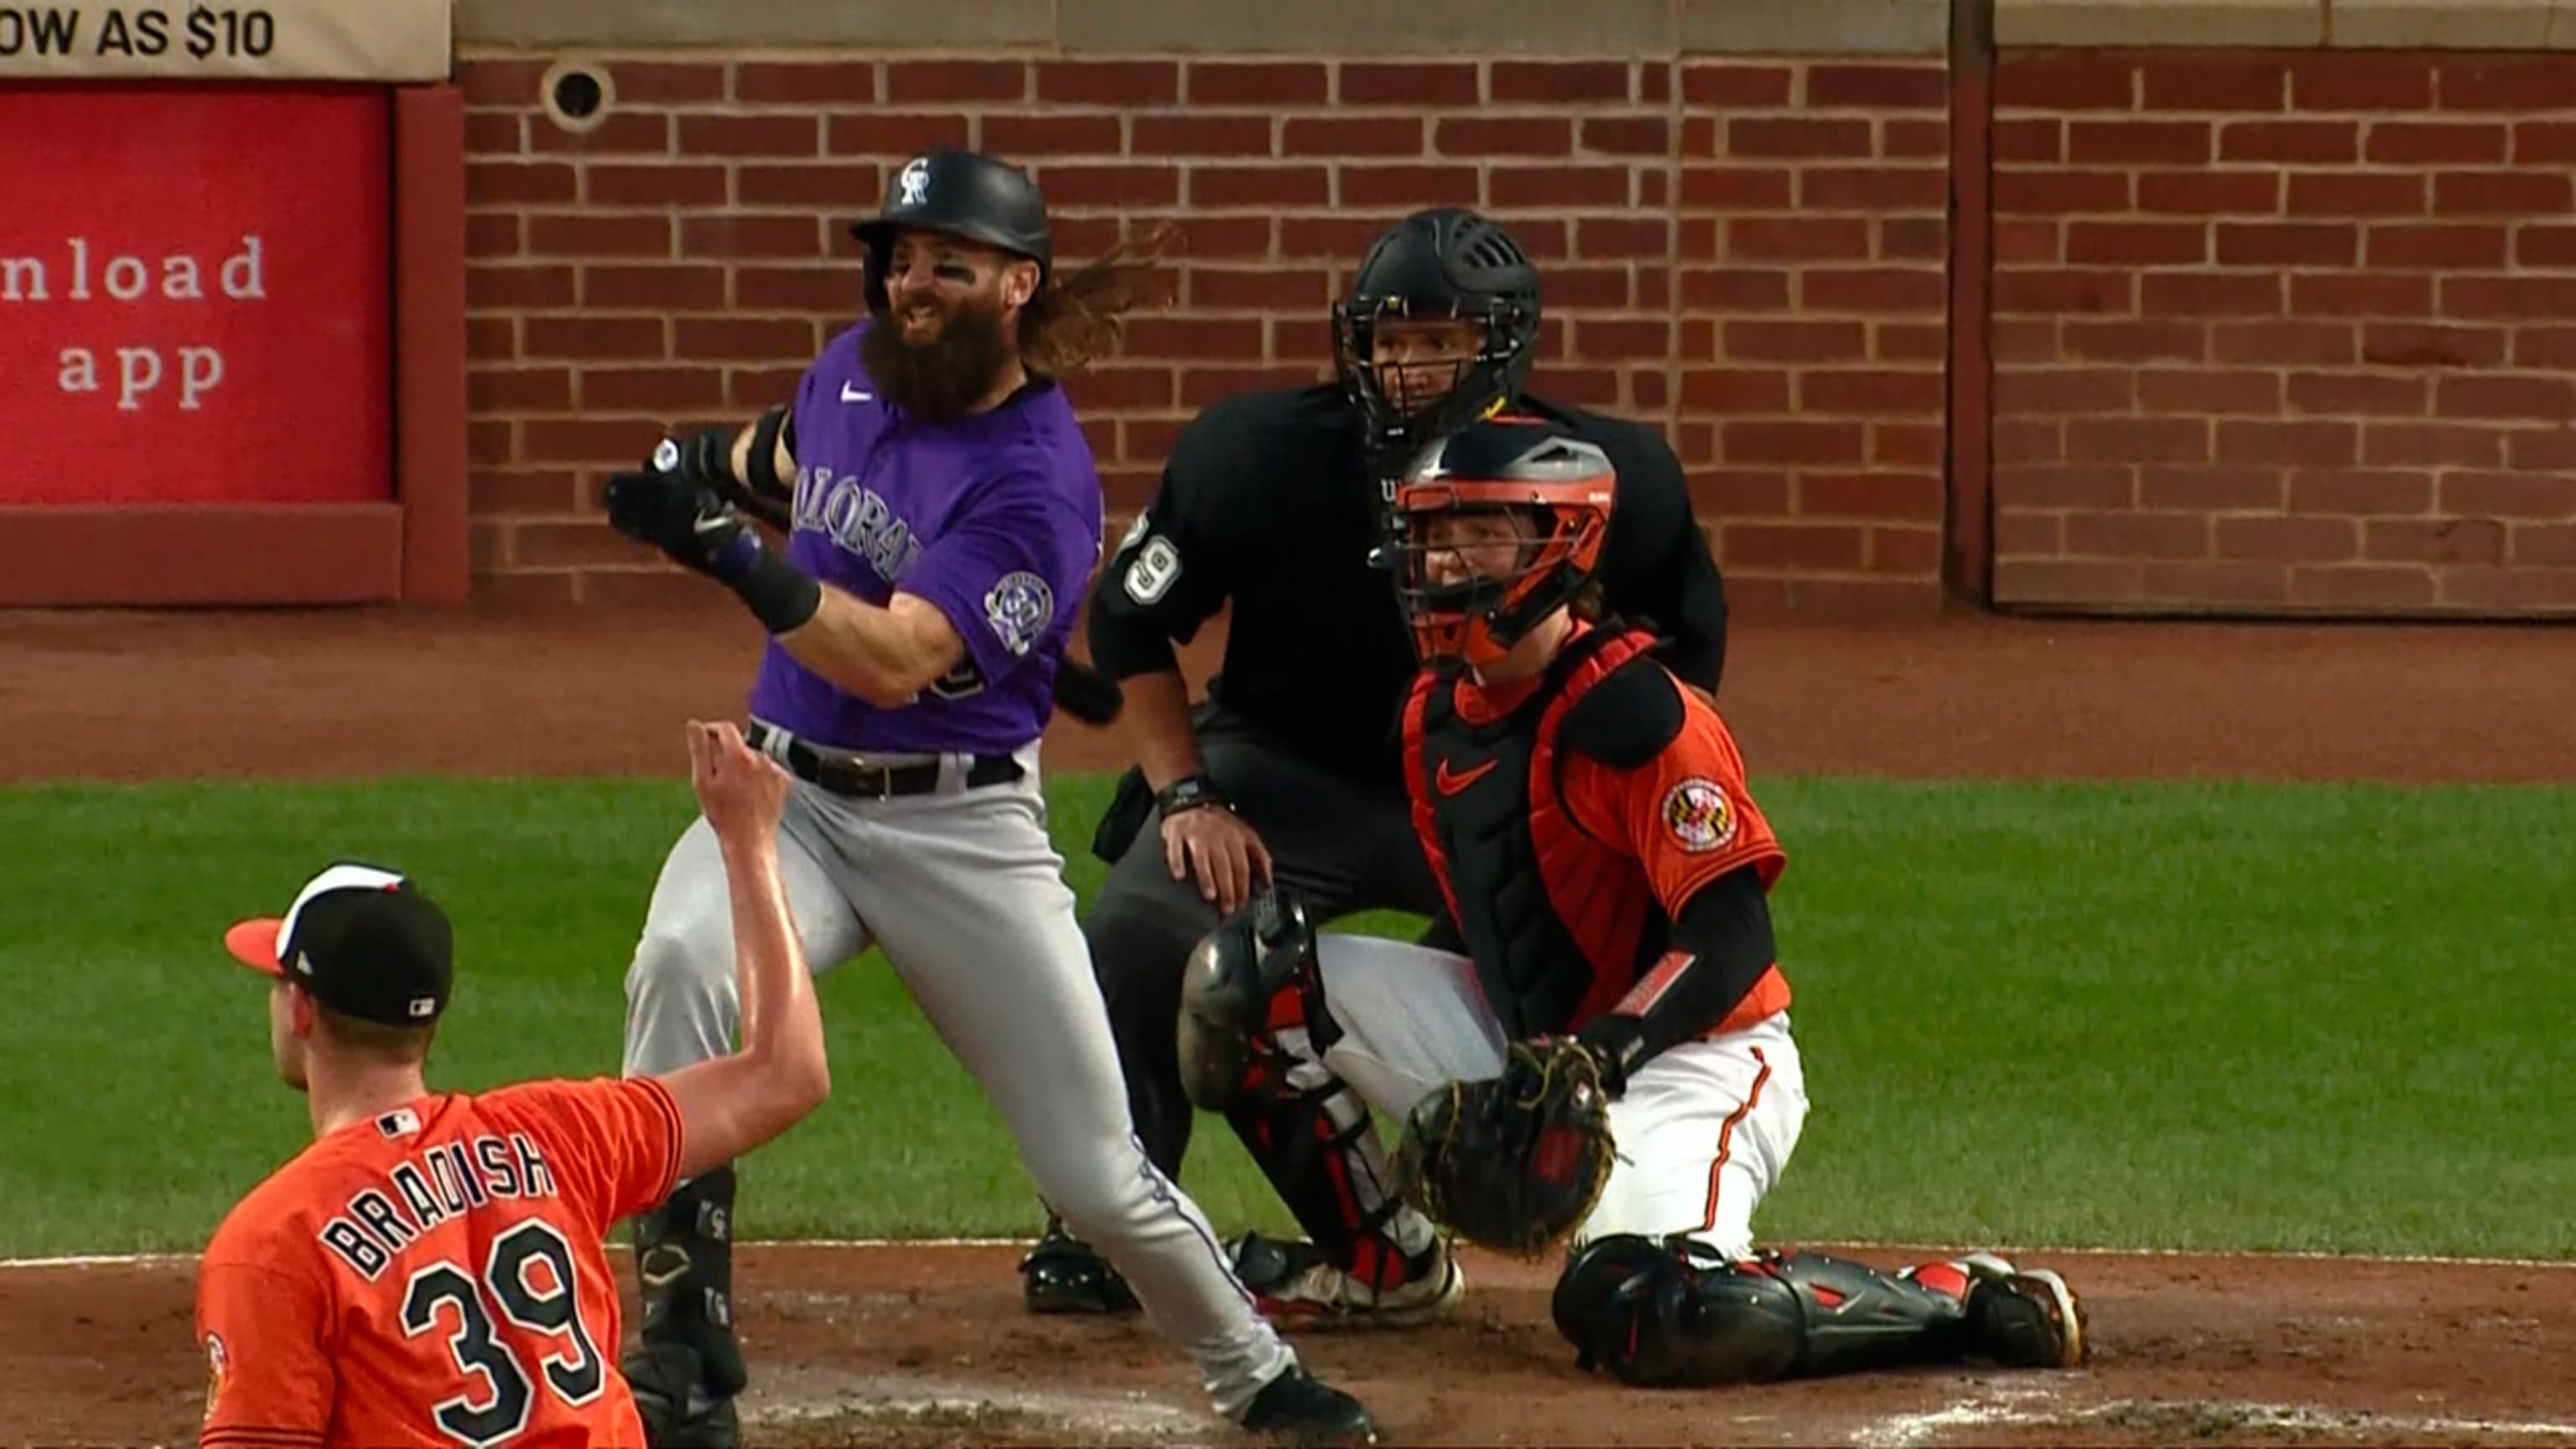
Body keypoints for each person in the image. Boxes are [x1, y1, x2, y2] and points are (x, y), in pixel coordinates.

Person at [595, 146, 1376, 1448]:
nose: (914, 285)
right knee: (683, 966)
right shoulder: (853, 367)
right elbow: (793, 456)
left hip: (961, 834)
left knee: (1098, 1173)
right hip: (787, 797)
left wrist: (726, 553)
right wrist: (703, 470)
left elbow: (898, 661)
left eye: (948, 264)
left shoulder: (1037, 480)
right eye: (901, 258)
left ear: (1018, 285)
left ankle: (1257, 1373)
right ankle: (677, 1353)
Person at [1173, 414, 2091, 1387]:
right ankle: (1384, 1266)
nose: (1446, 564)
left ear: (1561, 542)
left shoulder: (1638, 716)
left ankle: (1957, 1295)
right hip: (1536, 1045)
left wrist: (1601, 1054)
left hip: (1692, 1061)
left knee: (1654, 1308)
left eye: (1479, 534)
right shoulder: (1435, 713)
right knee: (1248, 989)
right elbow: (1504, 923)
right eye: (1433, 536)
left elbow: (1733, 935)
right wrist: (1500, 1067)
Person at [1024, 205, 1732, 1326]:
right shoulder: (1256, 453)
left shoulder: (1613, 477)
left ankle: (1626, 1181)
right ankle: (1110, 1211)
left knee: (1566, 966)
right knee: (1145, 926)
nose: (1408, 367)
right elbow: (1127, 624)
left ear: (1502, 345)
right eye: (1389, 340)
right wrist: (1190, 794)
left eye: (1439, 339)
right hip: (1285, 773)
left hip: (1504, 775)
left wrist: (1571, 844)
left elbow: (1684, 675)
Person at [195, 719, 832, 1446]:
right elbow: (788, 1071)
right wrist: (749, 843)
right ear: (429, 1021)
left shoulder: (275, 1242)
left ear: (303, 1009)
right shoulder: (560, 1134)